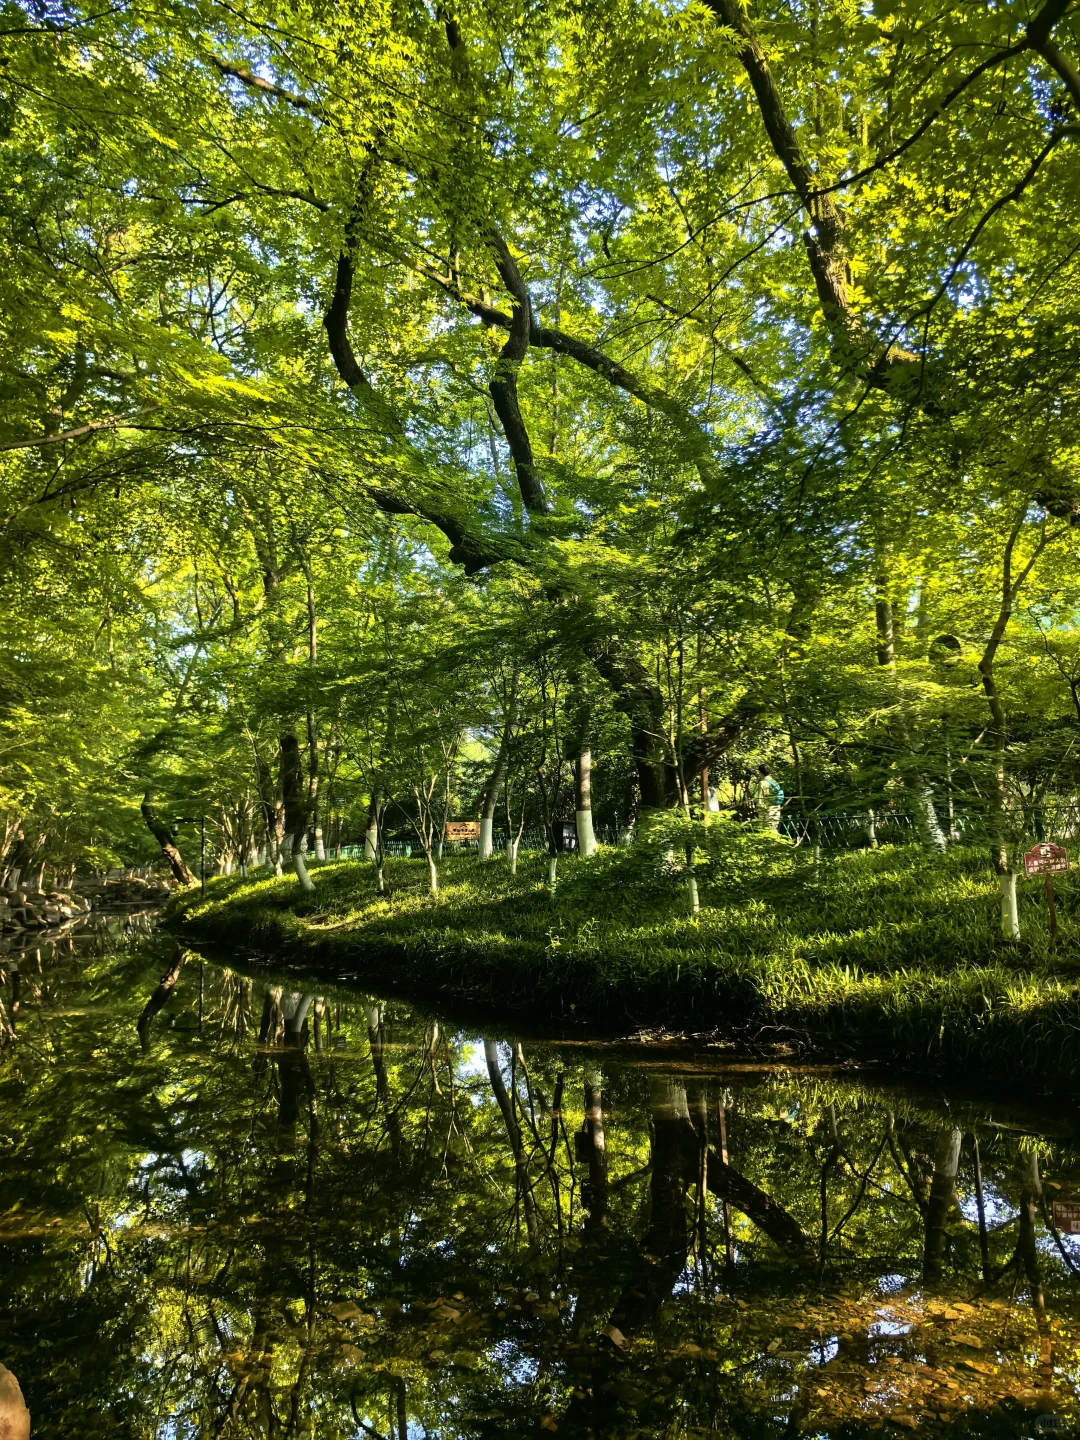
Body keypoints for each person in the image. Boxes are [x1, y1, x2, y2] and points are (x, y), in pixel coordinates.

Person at [755, 765, 784, 831]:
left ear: (760, 772)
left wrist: (759, 812)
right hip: (776, 810)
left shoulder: (762, 783)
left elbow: (760, 800)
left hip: (767, 811)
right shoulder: (774, 782)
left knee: (765, 831)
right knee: (773, 830)